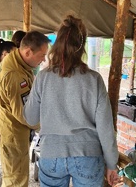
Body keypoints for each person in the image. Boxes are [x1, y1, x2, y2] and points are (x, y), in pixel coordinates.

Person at [23, 15, 120, 187]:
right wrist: (112, 164)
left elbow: (30, 118)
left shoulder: (43, 78)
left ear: (57, 43)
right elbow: (106, 127)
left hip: (51, 155)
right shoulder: (94, 79)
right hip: (88, 156)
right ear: (81, 47)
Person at [0, 30, 50, 187]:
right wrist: (45, 128)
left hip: (14, 130)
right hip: (13, 134)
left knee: (15, 177)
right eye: (41, 55)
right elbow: (24, 115)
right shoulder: (15, 75)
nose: (43, 59)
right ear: (28, 51)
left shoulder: (16, 61)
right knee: (16, 181)